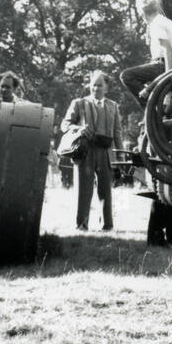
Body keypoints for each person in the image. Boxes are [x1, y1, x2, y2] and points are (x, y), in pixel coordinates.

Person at [61, 70, 122, 230]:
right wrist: (79, 129)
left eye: (99, 85)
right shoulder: (79, 103)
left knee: (105, 191)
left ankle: (107, 226)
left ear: (107, 87)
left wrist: (121, 157)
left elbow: (117, 133)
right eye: (93, 85)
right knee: (84, 190)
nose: (95, 88)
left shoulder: (113, 106)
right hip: (85, 151)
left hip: (106, 153)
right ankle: (81, 225)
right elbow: (64, 125)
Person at [120, 0, 172, 107]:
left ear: (143, 14)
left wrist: (167, 78)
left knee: (126, 76)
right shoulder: (165, 21)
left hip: (167, 64)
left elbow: (168, 50)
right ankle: (154, 101)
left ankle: (152, 108)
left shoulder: (156, 24)